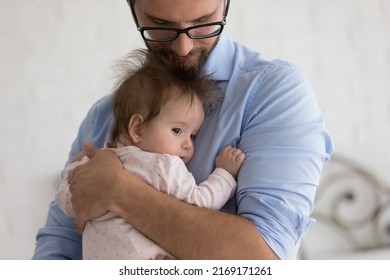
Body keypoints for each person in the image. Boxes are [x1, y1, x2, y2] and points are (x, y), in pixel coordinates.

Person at [33, 0, 334, 260]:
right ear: (132, 7)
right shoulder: (104, 115)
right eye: (161, 25)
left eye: (203, 23)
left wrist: (118, 189)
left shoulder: (274, 91)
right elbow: (61, 243)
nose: (183, 47)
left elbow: (265, 257)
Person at [55, 49, 245, 259]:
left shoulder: (95, 165)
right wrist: (225, 174)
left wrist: (73, 169)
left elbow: (68, 203)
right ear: (137, 129)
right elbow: (201, 203)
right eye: (177, 131)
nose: (188, 145)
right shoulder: (163, 166)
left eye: (193, 135)